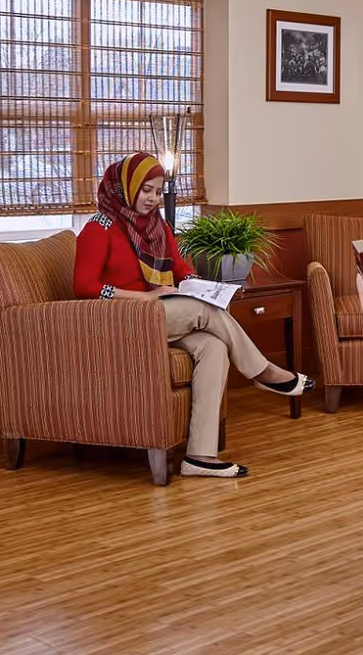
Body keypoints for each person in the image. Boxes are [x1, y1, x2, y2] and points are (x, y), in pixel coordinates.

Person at [73, 152, 313, 479]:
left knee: (213, 347)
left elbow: (180, 267)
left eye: (158, 191)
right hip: (124, 318)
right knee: (204, 311)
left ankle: (200, 456)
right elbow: (84, 286)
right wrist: (145, 296)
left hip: (162, 311)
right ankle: (264, 372)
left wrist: (193, 283)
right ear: (126, 187)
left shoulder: (158, 226)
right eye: (146, 190)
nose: (153, 199)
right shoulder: (100, 228)